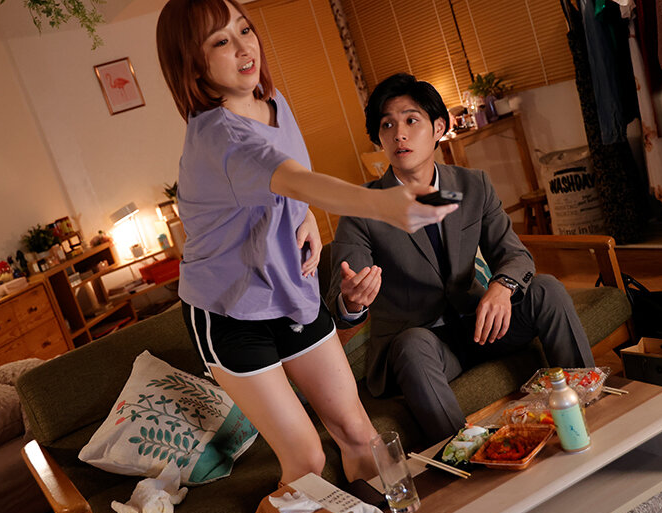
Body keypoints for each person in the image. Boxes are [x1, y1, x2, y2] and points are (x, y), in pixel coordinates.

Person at [155, 1, 457, 486]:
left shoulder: (274, 103)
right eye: (221, 41)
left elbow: (286, 183)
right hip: (231, 313)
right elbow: (293, 178)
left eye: (245, 30)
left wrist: (306, 216)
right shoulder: (220, 139)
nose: (244, 47)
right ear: (192, 64)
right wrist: (382, 203)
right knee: (307, 459)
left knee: (361, 435)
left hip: (290, 289)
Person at [327, 73, 596, 443]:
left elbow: (514, 255)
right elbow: (341, 298)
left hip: (481, 325)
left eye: (411, 120)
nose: (399, 134)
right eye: (387, 125)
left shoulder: (472, 185)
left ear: (438, 127)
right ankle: (466, 456)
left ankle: (587, 404)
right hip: (424, 346)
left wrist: (501, 287)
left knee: (546, 289)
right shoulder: (362, 208)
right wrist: (353, 301)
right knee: (412, 344)